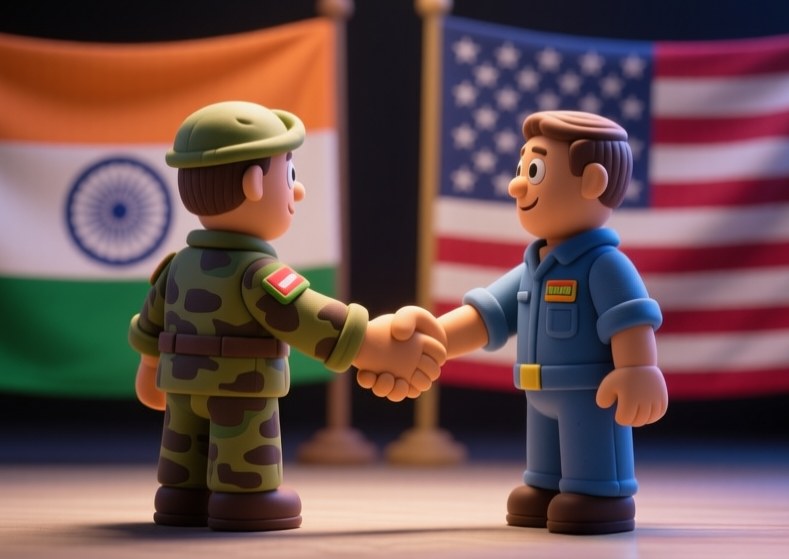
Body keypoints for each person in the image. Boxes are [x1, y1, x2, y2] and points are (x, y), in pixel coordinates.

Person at [128, 101, 445, 531]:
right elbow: (308, 318)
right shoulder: (259, 273)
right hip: (242, 390)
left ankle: (181, 496)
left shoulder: (176, 266)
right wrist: (371, 345)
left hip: (181, 387)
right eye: (290, 175)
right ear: (254, 182)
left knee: (184, 449)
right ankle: (247, 497)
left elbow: (151, 325)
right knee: (243, 451)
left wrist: (150, 368)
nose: (298, 191)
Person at [429, 110, 667, 535]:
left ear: (592, 182)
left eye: (533, 170)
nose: (516, 184)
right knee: (543, 467)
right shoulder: (535, 265)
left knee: (589, 456)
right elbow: (489, 315)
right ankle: (544, 487)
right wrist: (436, 339)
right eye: (522, 168)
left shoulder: (605, 266)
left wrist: (637, 370)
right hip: (537, 390)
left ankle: (599, 493)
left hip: (589, 395)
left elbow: (630, 320)